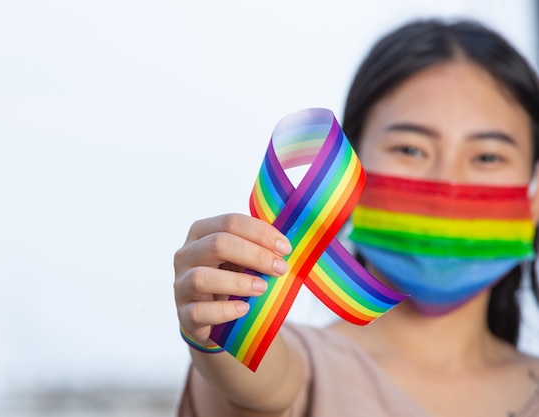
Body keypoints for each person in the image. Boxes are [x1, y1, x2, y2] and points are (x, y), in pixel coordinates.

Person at [173, 18, 539, 416]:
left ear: (534, 197)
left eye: (488, 156)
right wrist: (220, 330)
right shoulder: (301, 368)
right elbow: (253, 380)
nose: (445, 181)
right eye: (411, 149)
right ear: (346, 175)